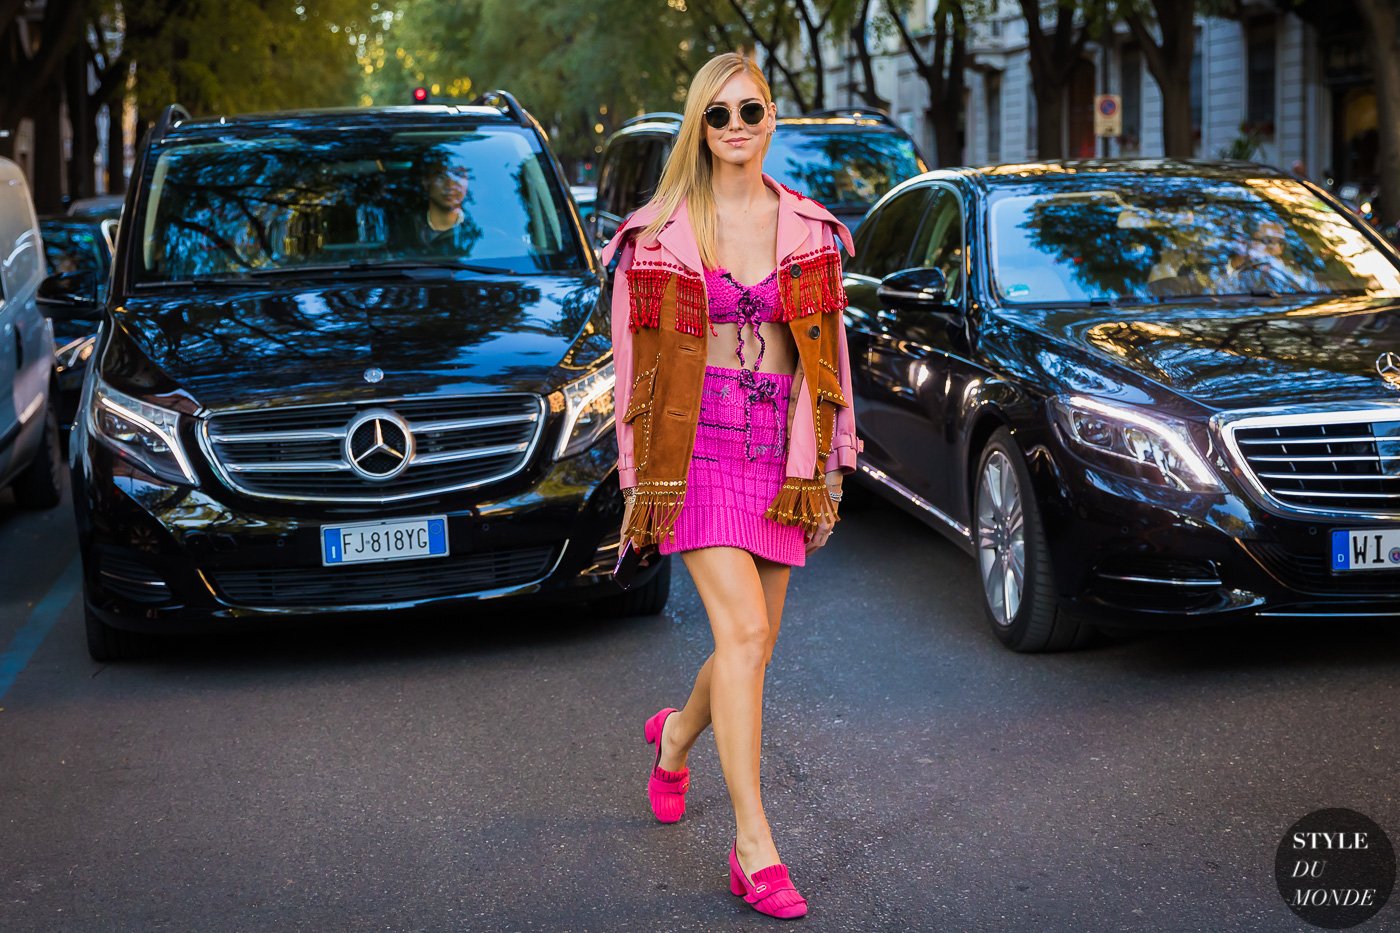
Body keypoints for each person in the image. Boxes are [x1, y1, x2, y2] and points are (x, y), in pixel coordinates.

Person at [599, 52, 861, 920]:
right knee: (744, 628)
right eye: (718, 114)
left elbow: (831, 361)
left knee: (753, 644)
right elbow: (633, 373)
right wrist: (641, 484)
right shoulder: (658, 234)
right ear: (699, 128)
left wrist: (829, 464)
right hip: (697, 453)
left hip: (779, 456)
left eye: (750, 109)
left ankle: (675, 735)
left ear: (772, 118)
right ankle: (754, 846)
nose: (737, 125)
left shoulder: (810, 230)